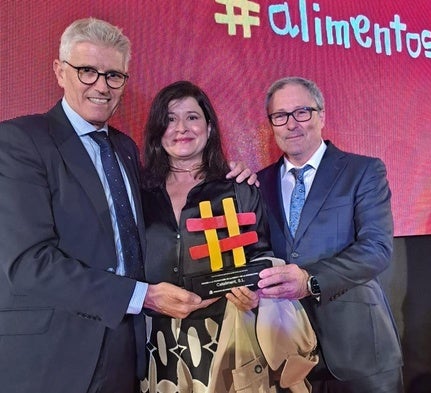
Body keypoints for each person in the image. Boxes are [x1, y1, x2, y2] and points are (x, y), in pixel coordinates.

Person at [0, 18, 253, 393]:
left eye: (114, 75)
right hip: (52, 353)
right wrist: (144, 296)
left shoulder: (125, 150)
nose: (101, 86)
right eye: (87, 71)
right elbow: (27, 263)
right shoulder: (20, 140)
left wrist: (229, 172)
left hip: (130, 349)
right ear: (59, 71)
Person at [140, 80, 317, 393]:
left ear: (209, 128)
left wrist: (256, 291)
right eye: (170, 119)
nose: (181, 128)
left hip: (225, 336)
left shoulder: (238, 187)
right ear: (157, 130)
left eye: (192, 117)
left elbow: (260, 253)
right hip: (155, 338)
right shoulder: (138, 191)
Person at [257, 76, 404, 393]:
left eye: (302, 112)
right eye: (280, 116)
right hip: (288, 352)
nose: (292, 124)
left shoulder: (363, 171)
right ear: (271, 124)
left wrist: (309, 280)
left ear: (321, 115)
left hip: (359, 350)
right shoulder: (259, 183)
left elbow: (376, 249)